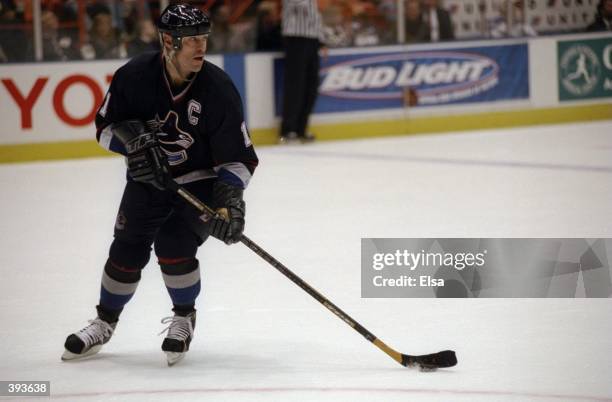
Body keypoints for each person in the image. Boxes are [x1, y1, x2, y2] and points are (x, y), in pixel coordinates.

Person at [62, 3, 259, 366]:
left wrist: (229, 202)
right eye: (190, 40)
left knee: (174, 244)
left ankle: (184, 316)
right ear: (168, 41)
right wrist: (133, 145)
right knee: (126, 249)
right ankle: (104, 322)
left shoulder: (217, 89)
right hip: (146, 180)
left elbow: (238, 157)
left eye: (203, 38)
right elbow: (105, 128)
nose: (200, 47)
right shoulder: (134, 75)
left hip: (198, 182)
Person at [279, 0, 325, 144]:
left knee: (311, 86)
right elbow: (301, 5)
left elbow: (315, 16)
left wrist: (321, 40)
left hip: (312, 40)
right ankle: (288, 130)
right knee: (295, 85)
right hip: (296, 39)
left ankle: (301, 129)